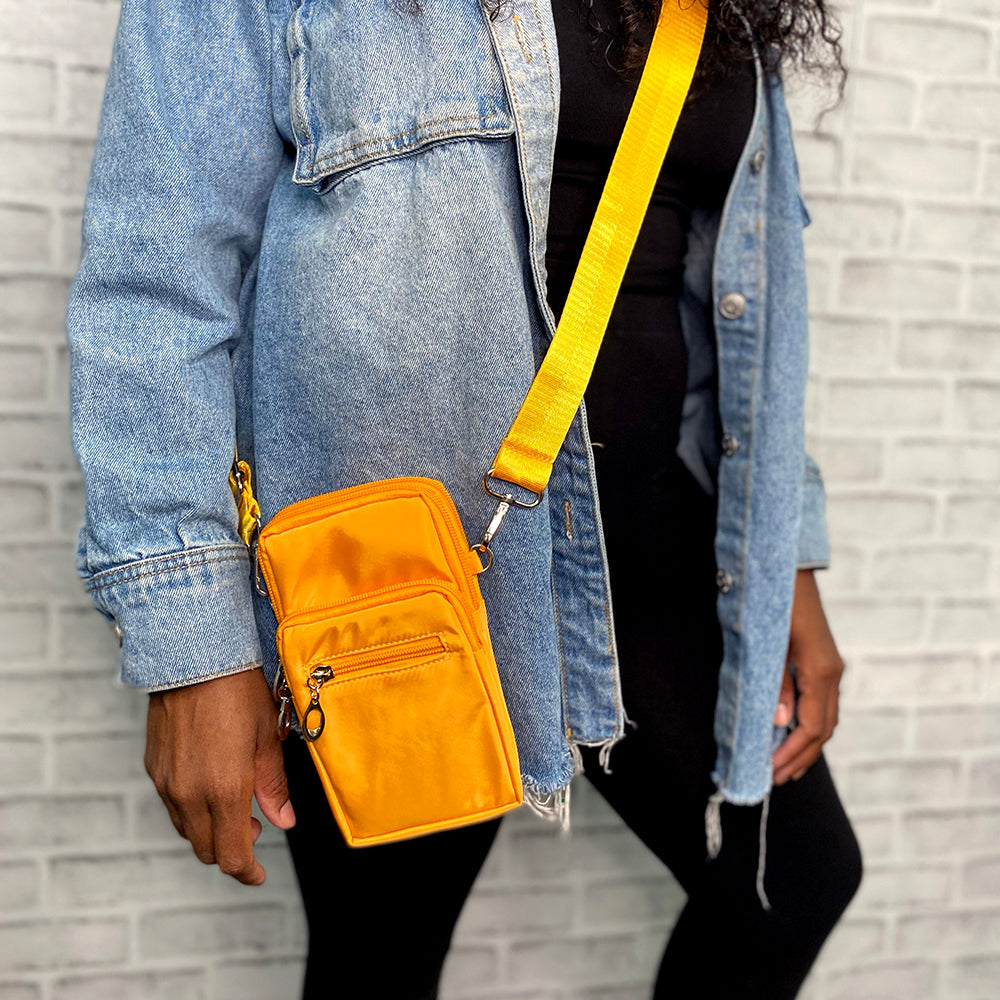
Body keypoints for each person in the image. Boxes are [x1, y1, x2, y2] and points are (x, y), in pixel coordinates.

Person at [67, 0, 863, 994]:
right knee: (381, 961)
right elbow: (158, 285)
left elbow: (740, 300)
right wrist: (194, 649)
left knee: (793, 878)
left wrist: (787, 560)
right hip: (402, 568)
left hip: (663, 540)